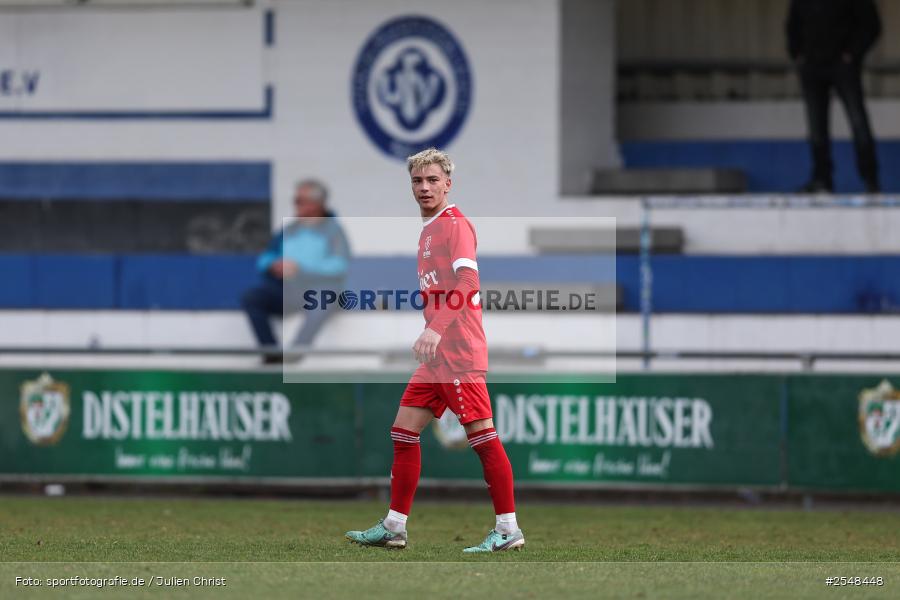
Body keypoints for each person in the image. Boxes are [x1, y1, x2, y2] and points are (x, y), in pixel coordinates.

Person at [345, 148, 524, 553]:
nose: (424, 188)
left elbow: (468, 283)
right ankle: (394, 526)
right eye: (417, 181)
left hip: (458, 350)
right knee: (403, 431)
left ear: (448, 183)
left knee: (482, 436)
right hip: (437, 357)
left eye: (432, 181)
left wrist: (437, 330)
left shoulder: (454, 226)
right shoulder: (428, 230)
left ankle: (509, 528)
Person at [241, 179, 350, 363]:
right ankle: (272, 354)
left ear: (317, 204)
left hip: (319, 290)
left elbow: (339, 265)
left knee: (323, 299)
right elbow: (264, 258)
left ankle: (295, 353)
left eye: (300, 200)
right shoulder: (289, 230)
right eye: (296, 200)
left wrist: (301, 268)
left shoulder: (334, 231)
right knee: (252, 297)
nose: (296, 204)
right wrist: (273, 265)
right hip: (288, 290)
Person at [787, 0, 882, 193]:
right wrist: (798, 54)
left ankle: (870, 179)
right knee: (816, 128)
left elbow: (871, 25)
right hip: (812, 66)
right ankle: (822, 179)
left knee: (858, 122)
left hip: (843, 67)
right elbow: (792, 24)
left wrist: (851, 54)